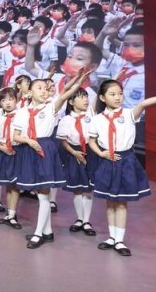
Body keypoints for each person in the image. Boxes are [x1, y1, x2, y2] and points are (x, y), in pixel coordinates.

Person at [88, 80, 156, 256]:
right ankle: (111, 237)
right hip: (107, 161)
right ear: (102, 97)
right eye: (112, 94)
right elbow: (91, 141)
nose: (118, 97)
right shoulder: (97, 119)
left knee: (121, 203)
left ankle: (119, 241)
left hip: (125, 161)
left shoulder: (128, 114)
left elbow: (143, 103)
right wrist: (101, 153)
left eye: (120, 93)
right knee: (110, 202)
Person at [13, 70, 89, 249]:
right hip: (29, 150)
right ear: (29, 92)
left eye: (46, 89)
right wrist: (28, 141)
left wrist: (79, 81)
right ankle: (47, 231)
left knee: (43, 195)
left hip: (45, 149)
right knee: (40, 194)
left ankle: (38, 233)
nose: (44, 91)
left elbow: (65, 94)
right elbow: (16, 136)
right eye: (39, 88)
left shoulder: (51, 108)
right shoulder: (21, 112)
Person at [57, 87, 96, 237]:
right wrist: (74, 153)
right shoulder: (66, 120)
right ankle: (79, 219)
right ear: (72, 102)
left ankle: (87, 221)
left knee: (88, 189)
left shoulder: (91, 115)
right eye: (81, 97)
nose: (86, 100)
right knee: (77, 188)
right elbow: (63, 140)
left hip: (90, 152)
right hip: (74, 153)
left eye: (86, 97)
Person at [0, 87, 22, 229]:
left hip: (17, 151)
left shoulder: (22, 115)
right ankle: (10, 214)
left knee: (15, 185)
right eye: (3, 100)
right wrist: (2, 148)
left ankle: (13, 215)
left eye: (11, 99)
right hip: (3, 151)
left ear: (16, 100)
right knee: (8, 185)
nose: (7, 103)